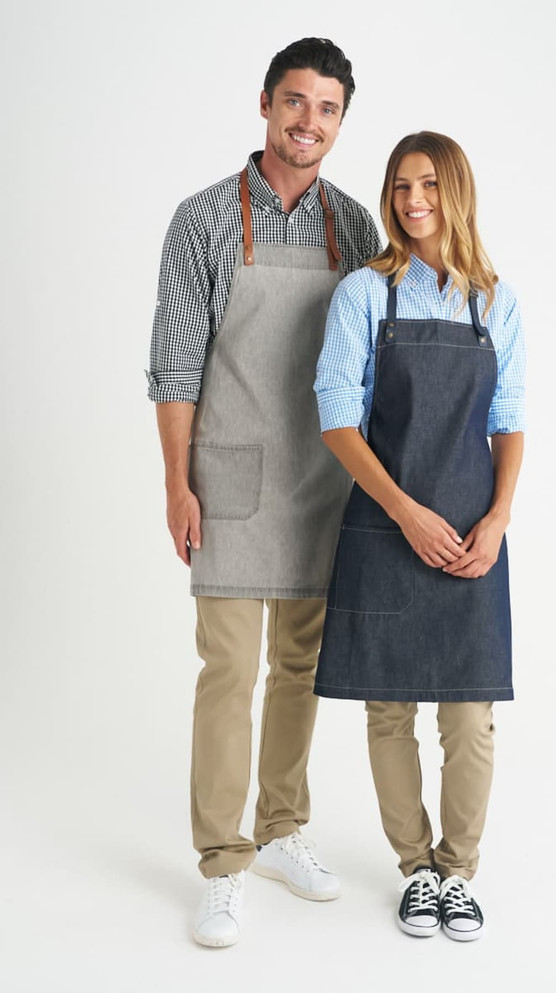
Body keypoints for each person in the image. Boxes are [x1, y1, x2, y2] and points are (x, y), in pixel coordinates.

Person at [147, 37, 380, 947]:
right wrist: (178, 482)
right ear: (264, 104)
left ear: (340, 121)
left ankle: (284, 828)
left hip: (324, 485)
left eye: (326, 109)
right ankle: (222, 861)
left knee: (299, 670)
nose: (308, 122)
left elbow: (368, 360)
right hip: (230, 482)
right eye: (294, 102)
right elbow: (173, 365)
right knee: (230, 671)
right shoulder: (203, 220)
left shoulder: (355, 227)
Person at [313, 131, 525, 941]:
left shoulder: (495, 301)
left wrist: (497, 519)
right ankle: (415, 871)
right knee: (389, 710)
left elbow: (508, 422)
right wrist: (404, 509)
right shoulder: (367, 294)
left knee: (469, 716)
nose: (412, 202)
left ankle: (458, 871)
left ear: (456, 191)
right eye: (401, 186)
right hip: (383, 522)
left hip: (473, 531)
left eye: (429, 185)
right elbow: (335, 414)